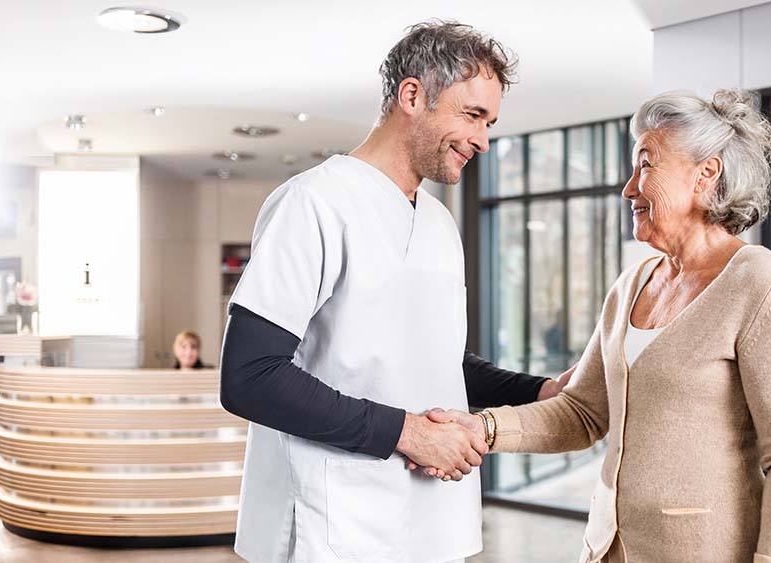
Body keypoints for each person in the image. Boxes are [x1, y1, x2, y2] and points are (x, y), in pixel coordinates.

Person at [218, 20, 572, 563]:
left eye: (490, 122)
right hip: (333, 521)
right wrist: (407, 433)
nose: (482, 139)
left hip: (435, 522)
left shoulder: (438, 222)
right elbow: (250, 377)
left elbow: (437, 360)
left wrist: (539, 392)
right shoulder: (313, 204)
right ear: (412, 95)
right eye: (472, 115)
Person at [430, 89, 771, 563]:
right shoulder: (631, 285)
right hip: (605, 549)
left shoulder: (756, 282)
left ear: (706, 172)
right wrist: (483, 428)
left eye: (646, 165)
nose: (629, 188)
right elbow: (582, 412)